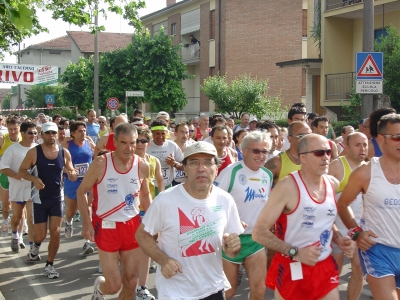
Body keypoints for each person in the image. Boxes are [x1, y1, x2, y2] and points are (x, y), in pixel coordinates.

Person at [253, 133, 356, 300]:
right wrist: (296, 252)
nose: (326, 157)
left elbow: (324, 220)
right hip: (292, 266)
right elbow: (259, 233)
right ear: (303, 158)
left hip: (323, 266)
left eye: (328, 152)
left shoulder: (332, 183)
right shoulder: (287, 186)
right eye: (319, 153)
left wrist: (338, 238)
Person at [136, 141, 243, 299]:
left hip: (213, 288)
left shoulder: (225, 200)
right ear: (184, 168)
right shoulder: (165, 200)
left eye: (208, 162)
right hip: (175, 291)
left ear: (216, 168)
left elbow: (233, 250)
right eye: (194, 162)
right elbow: (142, 235)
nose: (201, 168)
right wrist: (163, 260)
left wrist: (233, 247)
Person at [77, 123, 152, 299]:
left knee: (131, 282)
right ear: (115, 142)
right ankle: (100, 289)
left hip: (132, 225)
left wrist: (153, 223)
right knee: (113, 285)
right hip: (106, 225)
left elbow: (146, 195)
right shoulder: (101, 163)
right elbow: (81, 191)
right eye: (124, 143)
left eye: (133, 143)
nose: (129, 148)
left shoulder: (142, 166)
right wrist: (87, 223)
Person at [337, 114, 400, 300]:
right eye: (396, 136)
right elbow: (343, 204)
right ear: (381, 139)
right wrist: (356, 232)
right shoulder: (366, 172)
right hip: (379, 250)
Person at [215, 131, 273, 300]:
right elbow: (213, 203)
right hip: (231, 240)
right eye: (256, 151)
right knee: (228, 292)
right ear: (244, 150)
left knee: (259, 290)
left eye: (265, 151)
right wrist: (231, 221)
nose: (261, 155)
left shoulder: (267, 175)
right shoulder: (231, 172)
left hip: (255, 240)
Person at [19, 122, 77, 278]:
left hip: (57, 197)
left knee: (56, 232)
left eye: (54, 132)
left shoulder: (64, 153)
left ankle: (50, 265)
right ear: (42, 135)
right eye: (48, 133)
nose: (51, 135)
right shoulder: (34, 152)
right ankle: (35, 247)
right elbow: (22, 171)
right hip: (39, 199)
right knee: (40, 235)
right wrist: (33, 178)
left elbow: (71, 170)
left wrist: (72, 174)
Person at [328, 132, 367, 300]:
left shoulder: (370, 169)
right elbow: (323, 199)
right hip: (337, 231)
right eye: (358, 145)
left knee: (358, 269)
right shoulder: (337, 166)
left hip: (359, 231)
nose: (362, 149)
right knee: (333, 275)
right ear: (347, 146)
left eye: (365, 144)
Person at [134, 126, 163, 300]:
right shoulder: (126, 161)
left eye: (143, 140)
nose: (139, 144)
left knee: (146, 247)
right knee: (130, 249)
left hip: (148, 208)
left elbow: (160, 180)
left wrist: (160, 199)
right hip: (128, 212)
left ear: (148, 143)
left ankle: (141, 287)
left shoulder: (153, 161)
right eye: (136, 140)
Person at [0, 121, 37, 253]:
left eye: (34, 132)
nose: (33, 135)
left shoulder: (38, 148)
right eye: (30, 132)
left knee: (31, 218)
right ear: (23, 133)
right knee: (17, 216)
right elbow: (3, 167)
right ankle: (15, 234)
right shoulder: (13, 149)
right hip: (17, 188)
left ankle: (32, 247)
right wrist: (16, 175)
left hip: (33, 190)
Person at [61, 121, 95, 254]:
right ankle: (68, 222)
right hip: (73, 181)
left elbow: (95, 157)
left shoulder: (88, 142)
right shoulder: (67, 145)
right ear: (73, 133)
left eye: (84, 130)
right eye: (80, 131)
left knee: (88, 209)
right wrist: (68, 171)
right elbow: (60, 163)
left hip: (87, 180)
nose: (83, 133)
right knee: (71, 210)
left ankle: (87, 242)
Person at [146, 119, 184, 193]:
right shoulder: (146, 146)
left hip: (167, 187)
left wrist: (175, 164)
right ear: (152, 133)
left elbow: (184, 167)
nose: (160, 137)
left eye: (163, 133)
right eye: (157, 133)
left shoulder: (172, 145)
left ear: (166, 133)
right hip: (150, 188)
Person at [0, 117, 21, 236]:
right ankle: (5, 219)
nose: (13, 132)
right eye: (10, 129)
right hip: (6, 175)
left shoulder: (24, 138)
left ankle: (21, 229)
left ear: (19, 128)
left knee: (20, 204)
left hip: (21, 176)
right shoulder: (3, 139)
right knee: (6, 206)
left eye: (15, 129)